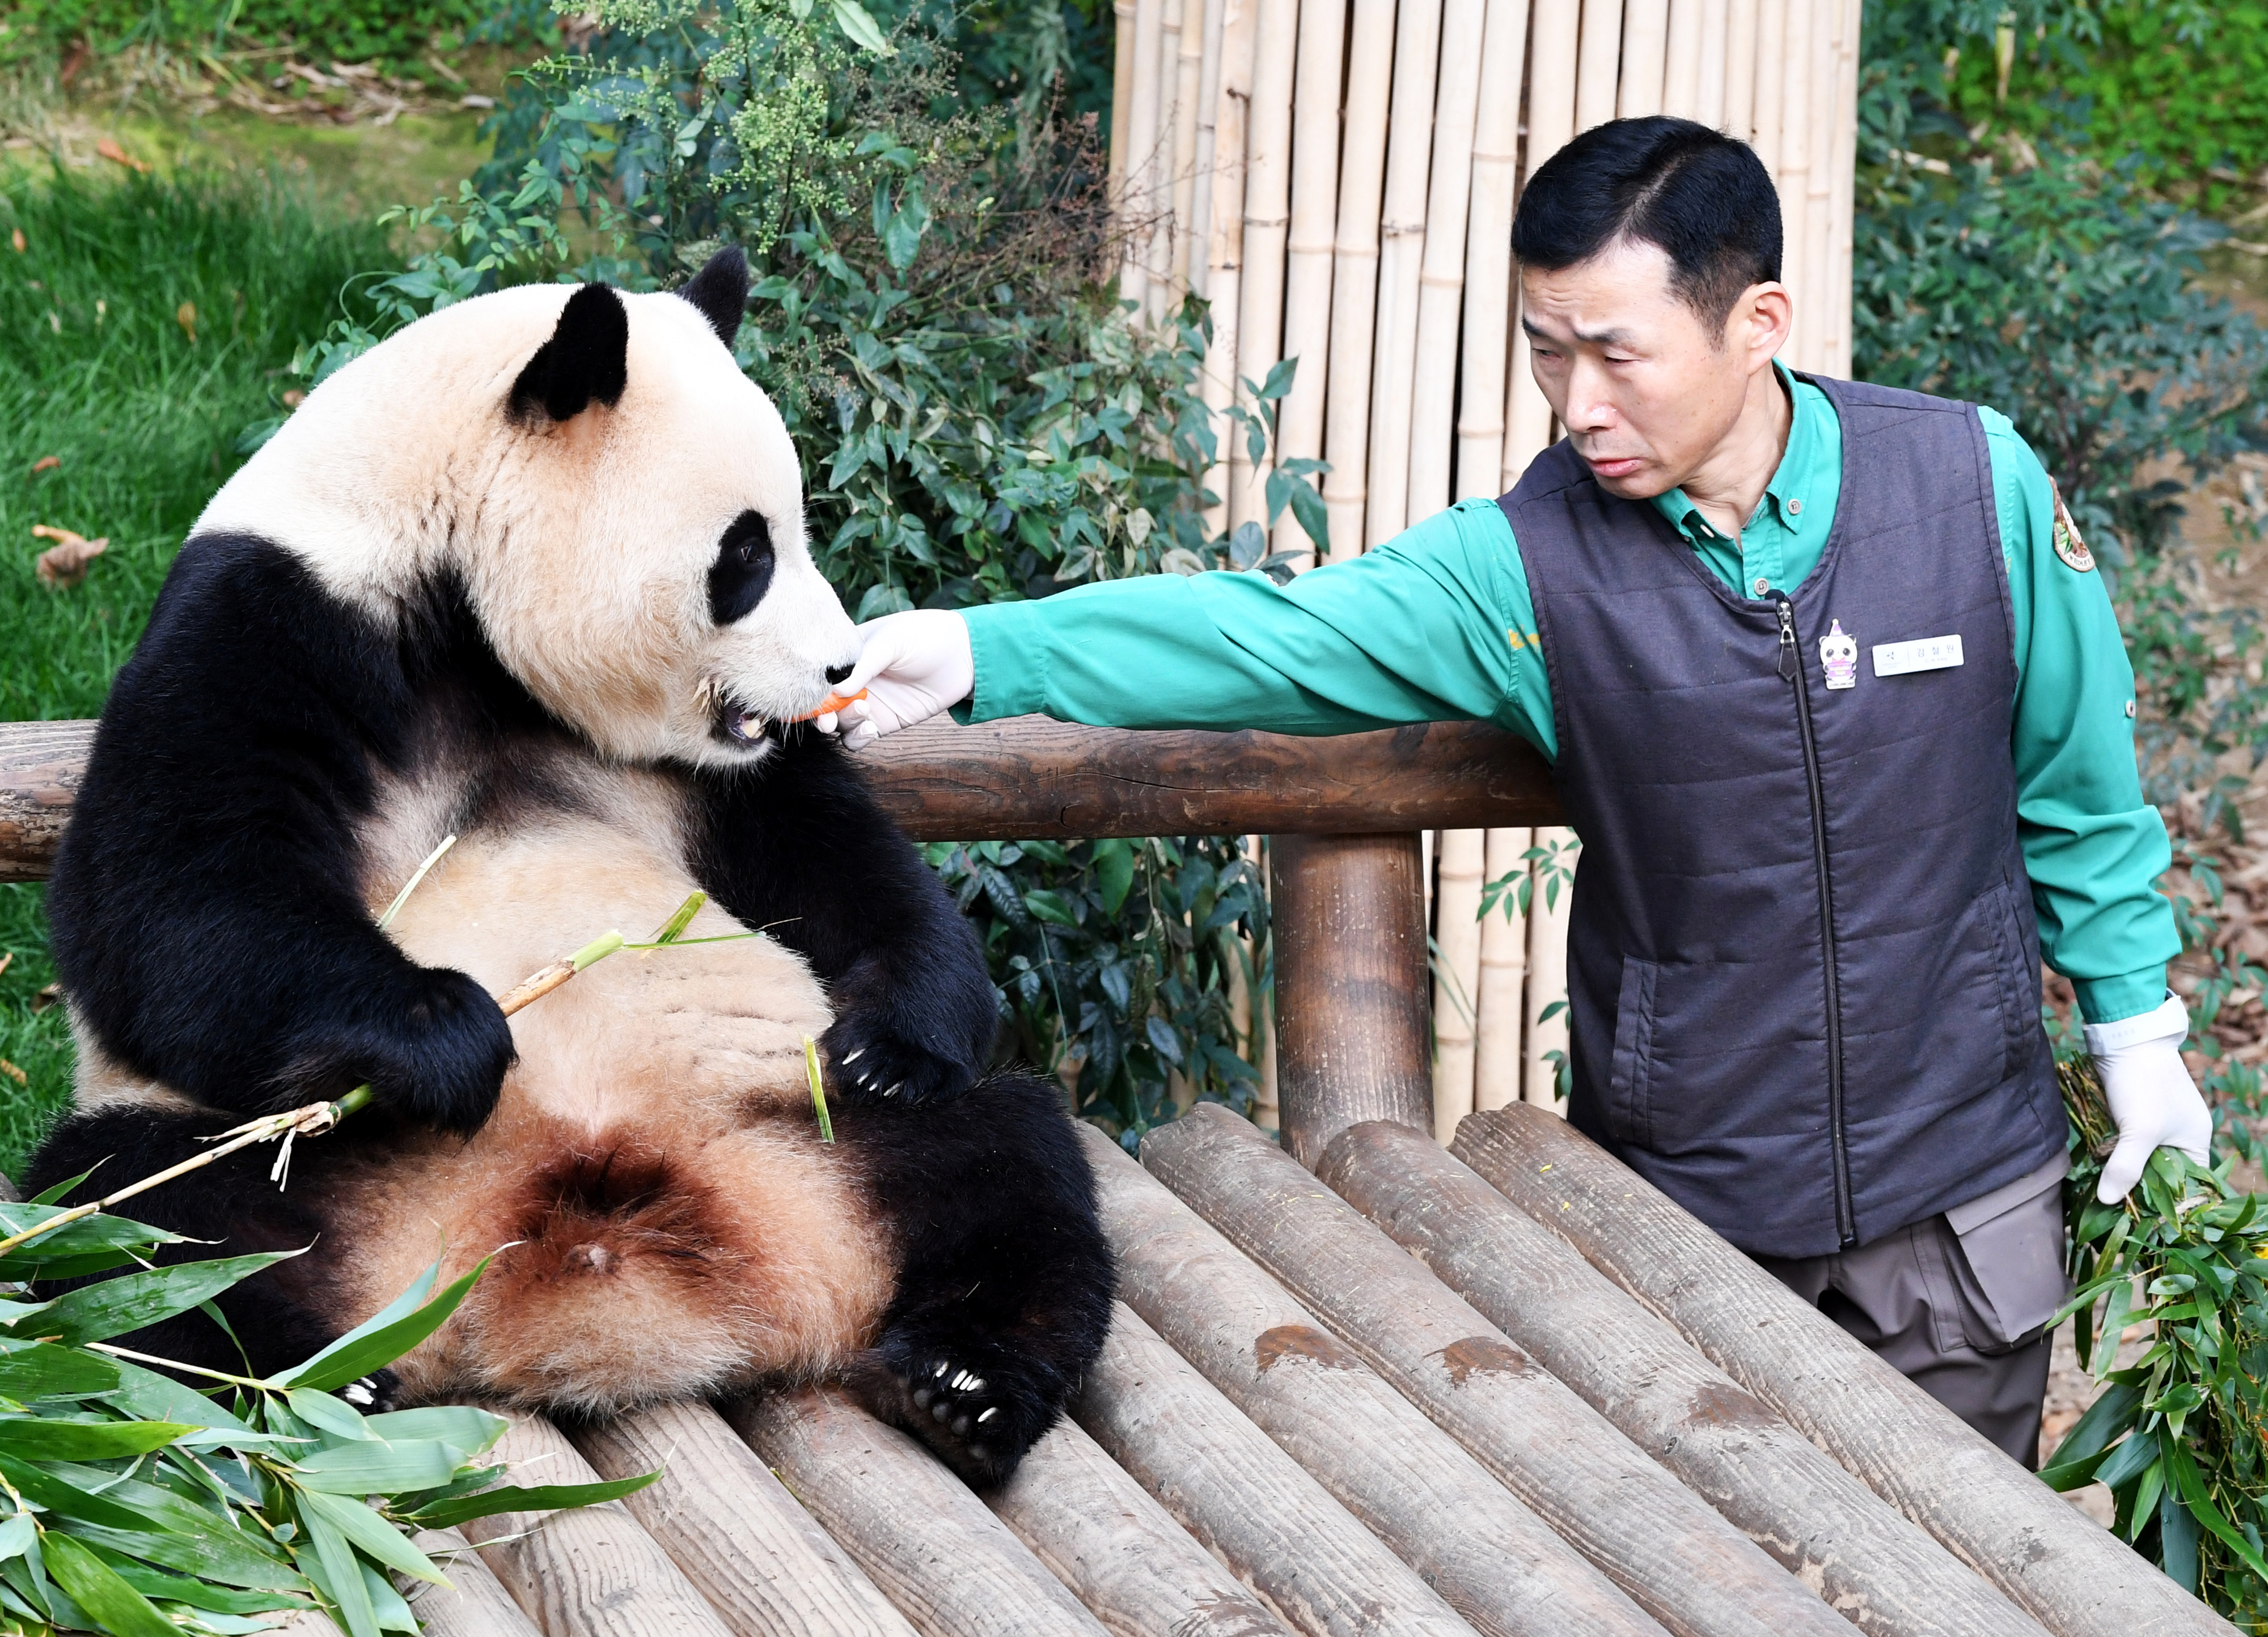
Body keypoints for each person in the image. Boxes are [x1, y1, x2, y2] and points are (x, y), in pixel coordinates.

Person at [820, 116, 2212, 1467]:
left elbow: (2074, 786)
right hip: (1686, 1213)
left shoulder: (1970, 484)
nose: (1577, 404)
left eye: (1617, 354)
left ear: (1757, 321)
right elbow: (1271, 633)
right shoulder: (1525, 566)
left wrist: (2132, 1029)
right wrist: (977, 650)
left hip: (1963, 1195)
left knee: (1967, 1572)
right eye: (1548, 354)